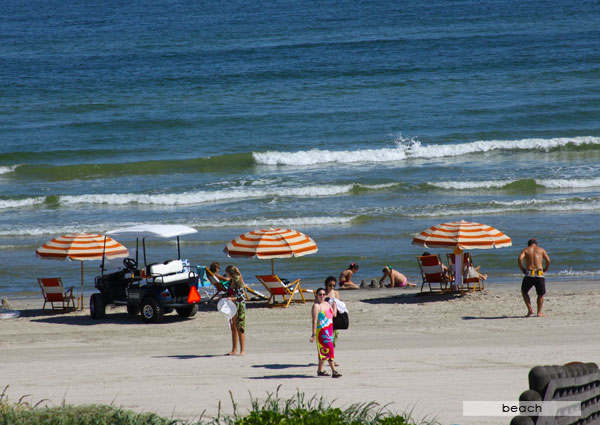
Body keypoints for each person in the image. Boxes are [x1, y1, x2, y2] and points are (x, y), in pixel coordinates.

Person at [310, 287, 341, 378]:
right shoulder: (316, 306)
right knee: (329, 350)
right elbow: (314, 321)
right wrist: (314, 334)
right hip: (322, 333)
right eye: (320, 294)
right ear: (316, 295)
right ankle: (334, 371)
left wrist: (335, 305)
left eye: (324, 294)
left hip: (329, 330)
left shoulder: (327, 304)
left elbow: (333, 315)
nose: (322, 296)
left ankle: (320, 370)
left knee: (322, 351)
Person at [518, 238, 550, 317]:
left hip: (529, 273)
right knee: (540, 294)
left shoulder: (526, 250)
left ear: (528, 244)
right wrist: (546, 268)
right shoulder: (541, 250)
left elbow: (519, 259)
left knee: (524, 291)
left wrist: (522, 269)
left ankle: (530, 310)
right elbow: (548, 260)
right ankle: (539, 312)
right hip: (539, 273)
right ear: (536, 244)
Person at [224, 265, 246, 355]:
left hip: (239, 306)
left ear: (230, 272)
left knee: (240, 327)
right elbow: (228, 293)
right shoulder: (231, 281)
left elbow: (241, 297)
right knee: (233, 328)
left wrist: (231, 299)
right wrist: (223, 296)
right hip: (231, 306)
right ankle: (234, 350)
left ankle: (242, 350)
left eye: (227, 272)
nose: (226, 274)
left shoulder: (238, 282)